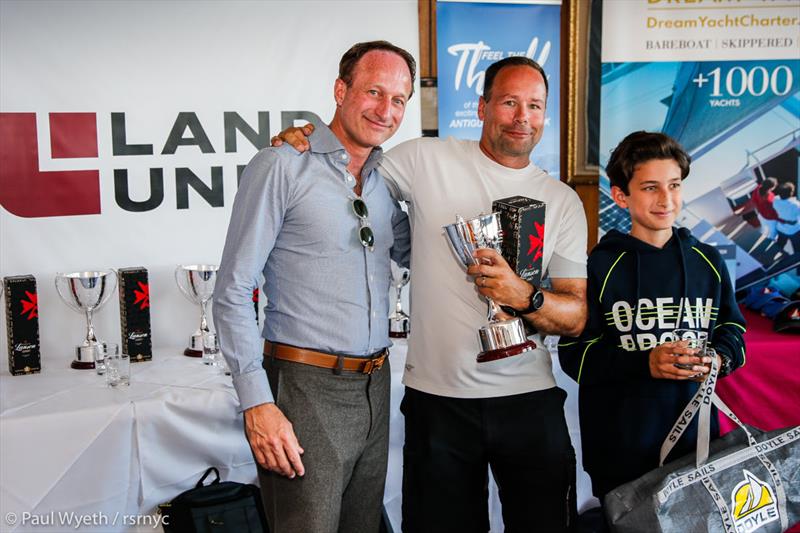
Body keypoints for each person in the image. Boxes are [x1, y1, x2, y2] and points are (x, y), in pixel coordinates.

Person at [276, 56, 588, 532]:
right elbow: (351, 164)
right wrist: (308, 138)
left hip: (529, 400)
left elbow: (576, 316)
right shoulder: (426, 159)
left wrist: (524, 295)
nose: (522, 116)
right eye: (509, 102)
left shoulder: (563, 200)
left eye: (535, 105)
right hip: (437, 404)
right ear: (482, 107)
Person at [213, 40, 414, 533]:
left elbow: (420, 256)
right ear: (341, 90)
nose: (385, 110)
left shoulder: (387, 180)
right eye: (373, 92)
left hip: (376, 384)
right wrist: (257, 403)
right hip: (304, 389)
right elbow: (233, 291)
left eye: (399, 100)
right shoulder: (281, 164)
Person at [558, 131, 746, 508]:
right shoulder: (599, 265)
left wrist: (719, 359)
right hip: (619, 449)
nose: (666, 199)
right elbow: (574, 355)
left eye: (674, 185)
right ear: (621, 195)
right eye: (650, 188)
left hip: (694, 447)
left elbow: (733, 331)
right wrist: (644, 362)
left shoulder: (708, 261)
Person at [773, 181, 800, 255]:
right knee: (797, 248)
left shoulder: (774, 200)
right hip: (794, 231)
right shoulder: (796, 205)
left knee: (780, 243)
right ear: (791, 193)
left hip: (780, 229)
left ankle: (776, 253)